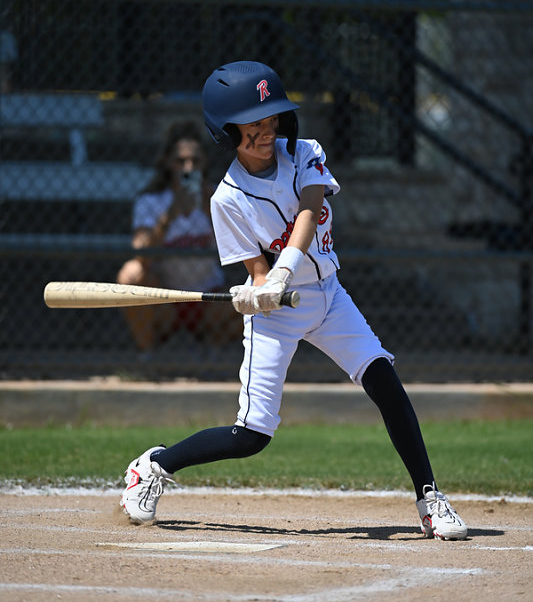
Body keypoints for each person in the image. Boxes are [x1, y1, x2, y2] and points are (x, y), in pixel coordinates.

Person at [120, 61, 468, 541]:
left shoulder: (305, 153)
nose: (267, 132)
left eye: (272, 120)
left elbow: (309, 209)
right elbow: (257, 273)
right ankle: (155, 465)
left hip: (329, 296)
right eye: (254, 124)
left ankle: (429, 497)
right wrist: (256, 295)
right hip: (277, 317)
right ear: (226, 131)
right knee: (251, 436)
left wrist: (282, 270)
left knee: (385, 381)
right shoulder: (226, 199)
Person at [116, 120, 240, 351]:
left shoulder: (218, 197)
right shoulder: (151, 201)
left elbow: (239, 249)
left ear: (205, 163)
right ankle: (148, 357)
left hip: (209, 298)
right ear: (167, 162)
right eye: (180, 161)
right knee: (130, 274)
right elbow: (141, 255)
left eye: (195, 161)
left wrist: (209, 209)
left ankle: (209, 353)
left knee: (259, 294)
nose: (188, 168)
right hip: (166, 299)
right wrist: (170, 216)